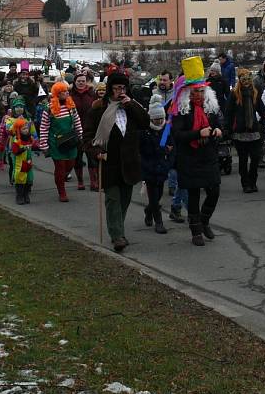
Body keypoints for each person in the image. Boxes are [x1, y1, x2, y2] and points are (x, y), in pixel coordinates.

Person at [84, 73, 150, 252]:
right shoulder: (99, 109)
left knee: (124, 200)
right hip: (109, 162)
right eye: (116, 88)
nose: (120, 91)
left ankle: (118, 229)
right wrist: (96, 152)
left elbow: (145, 122)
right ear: (109, 89)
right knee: (113, 200)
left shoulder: (132, 106)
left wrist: (130, 104)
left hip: (129, 162)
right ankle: (117, 236)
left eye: (123, 87)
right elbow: (88, 136)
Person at [171, 58, 223, 246]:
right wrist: (196, 133)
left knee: (214, 191)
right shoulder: (182, 110)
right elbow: (177, 135)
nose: (199, 94)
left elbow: (219, 125)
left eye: (202, 90)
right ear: (188, 92)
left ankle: (204, 220)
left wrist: (218, 131)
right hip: (189, 157)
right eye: (196, 91)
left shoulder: (210, 107)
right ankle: (195, 231)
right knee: (193, 194)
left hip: (208, 155)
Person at [225, 68, 265, 193]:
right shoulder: (234, 94)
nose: (247, 82)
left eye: (249, 79)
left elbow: (261, 109)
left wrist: (264, 120)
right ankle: (245, 183)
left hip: (254, 131)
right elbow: (228, 113)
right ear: (240, 81)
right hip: (240, 132)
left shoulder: (255, 92)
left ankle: (253, 181)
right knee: (243, 160)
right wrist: (227, 129)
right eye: (244, 80)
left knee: (255, 158)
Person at [39, 81, 83, 202]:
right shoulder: (49, 109)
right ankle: (62, 192)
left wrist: (81, 135)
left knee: (71, 164)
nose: (66, 93)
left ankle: (61, 178)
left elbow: (77, 120)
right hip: (56, 142)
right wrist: (44, 144)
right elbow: (43, 127)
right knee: (60, 168)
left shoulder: (71, 106)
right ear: (57, 94)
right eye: (63, 91)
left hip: (70, 140)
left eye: (67, 91)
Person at [140, 96, 172, 234]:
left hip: (162, 167)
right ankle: (158, 221)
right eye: (155, 119)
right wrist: (163, 149)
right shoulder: (145, 131)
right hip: (149, 167)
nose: (158, 121)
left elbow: (172, 148)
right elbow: (145, 150)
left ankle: (149, 210)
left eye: (160, 118)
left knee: (158, 194)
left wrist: (168, 161)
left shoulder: (167, 129)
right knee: (154, 196)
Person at [70, 70, 98, 190]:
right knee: (78, 158)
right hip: (75, 130)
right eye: (79, 81)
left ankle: (93, 182)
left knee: (92, 157)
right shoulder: (70, 95)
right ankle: (80, 182)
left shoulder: (92, 94)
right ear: (75, 82)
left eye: (83, 81)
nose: (81, 83)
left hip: (89, 130)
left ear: (86, 82)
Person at [10, 117, 36, 205]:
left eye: (27, 128)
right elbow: (15, 151)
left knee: (28, 179)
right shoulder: (17, 141)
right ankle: (19, 196)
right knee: (20, 179)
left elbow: (35, 145)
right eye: (23, 129)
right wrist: (23, 149)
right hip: (20, 164)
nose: (26, 130)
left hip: (28, 163)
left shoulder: (30, 138)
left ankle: (26, 195)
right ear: (18, 130)